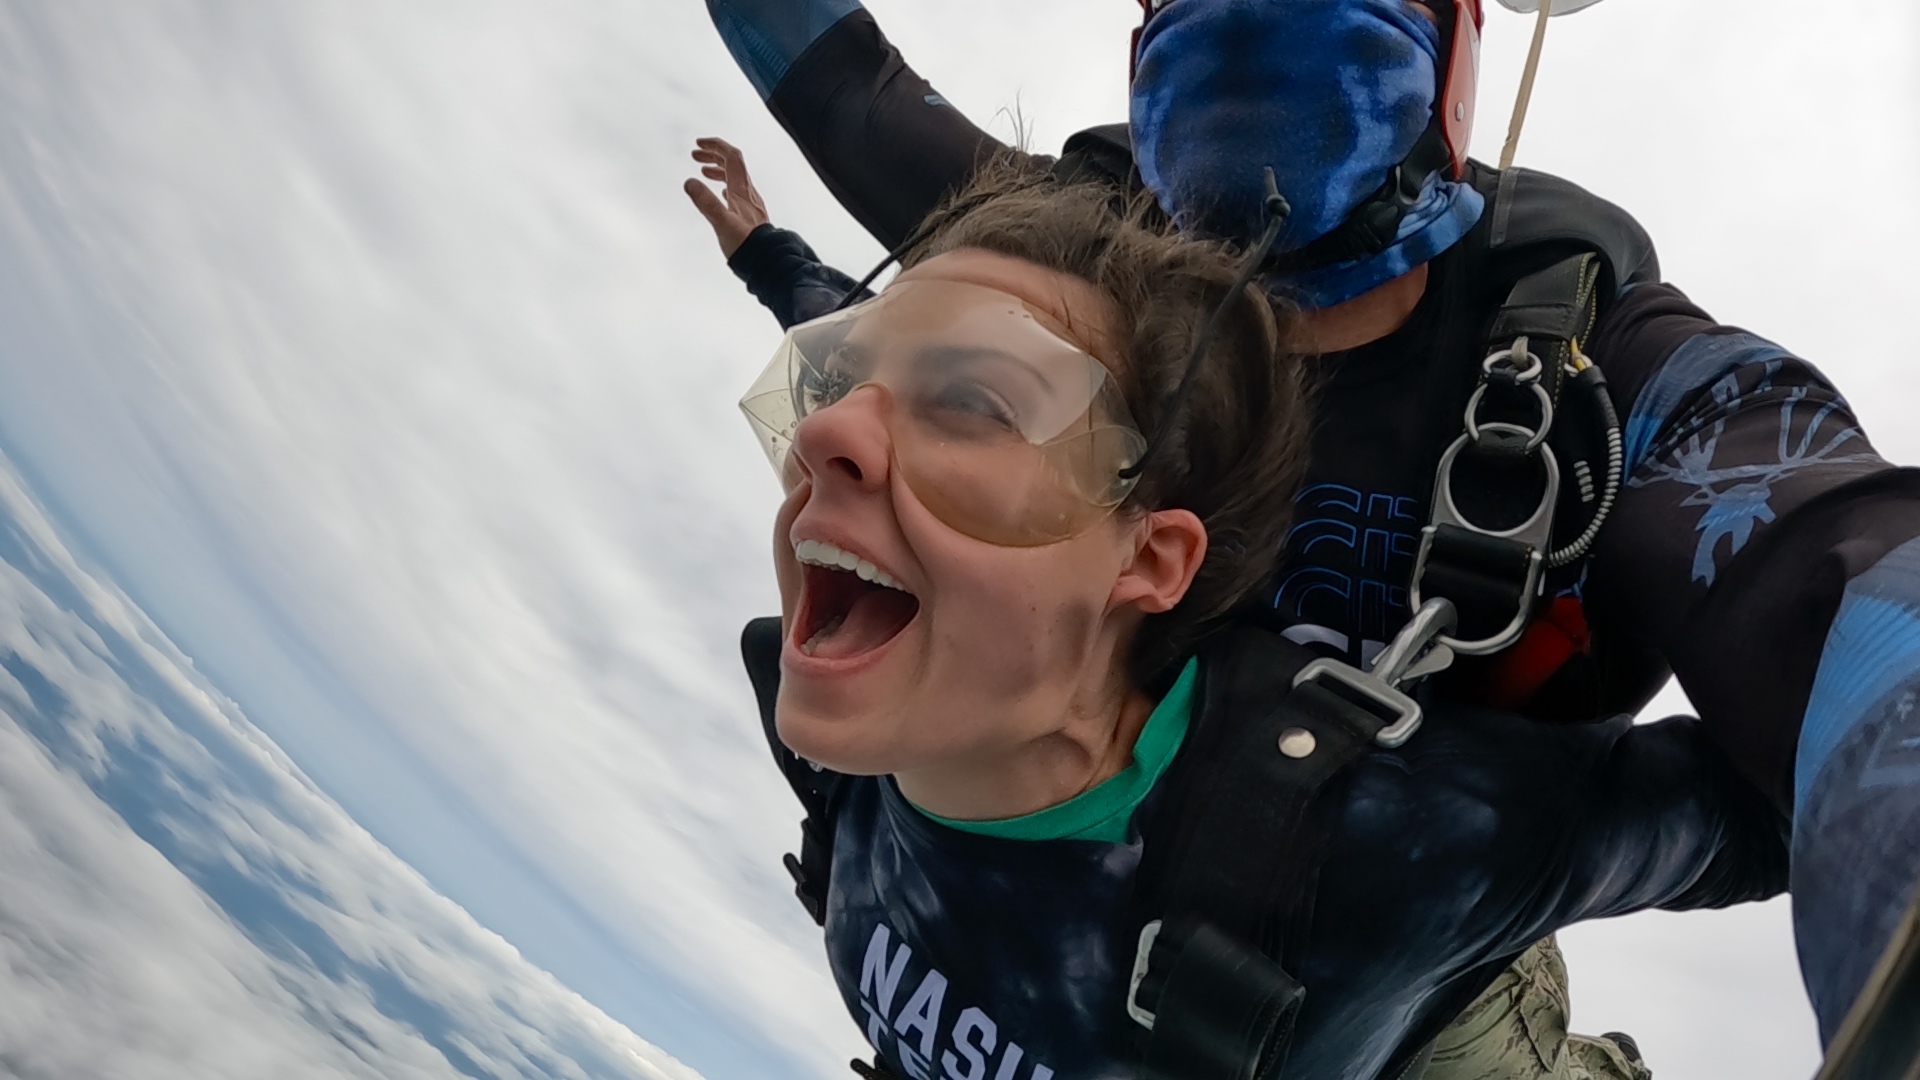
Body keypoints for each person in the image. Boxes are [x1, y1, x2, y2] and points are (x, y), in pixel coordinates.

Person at [697, 0, 1920, 1054]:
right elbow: (888, 270)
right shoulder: (1070, 269)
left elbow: (1829, 560)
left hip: (1412, 973)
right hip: (1001, 899)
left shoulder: (1592, 376)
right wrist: (773, 260)